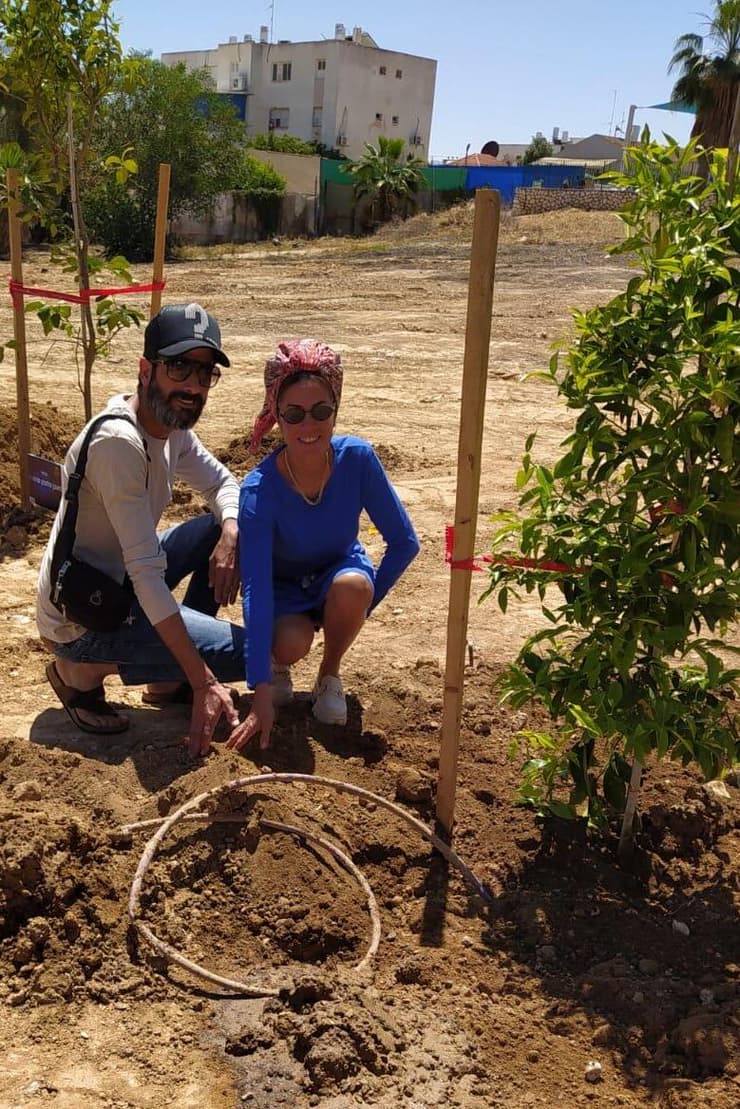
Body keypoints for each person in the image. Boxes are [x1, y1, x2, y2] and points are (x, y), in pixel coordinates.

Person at [36, 303, 245, 757]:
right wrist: (203, 679)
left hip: (120, 578)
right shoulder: (119, 443)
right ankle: (80, 672)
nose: (192, 386)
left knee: (220, 526)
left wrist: (230, 529)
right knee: (255, 654)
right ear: (146, 370)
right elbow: (148, 575)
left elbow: (222, 484)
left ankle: (166, 676)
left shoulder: (169, 425)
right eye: (179, 367)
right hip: (82, 614)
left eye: (204, 372)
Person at [227, 338, 420, 752]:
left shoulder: (358, 460)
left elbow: (404, 542)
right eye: (293, 414)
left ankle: (329, 674)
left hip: (337, 574)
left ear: (336, 409)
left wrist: (357, 609)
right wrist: (259, 690)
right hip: (284, 591)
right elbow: (256, 588)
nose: (308, 426)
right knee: (291, 642)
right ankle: (278, 664)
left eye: (321, 411)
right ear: (277, 414)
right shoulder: (259, 491)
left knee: (354, 587)